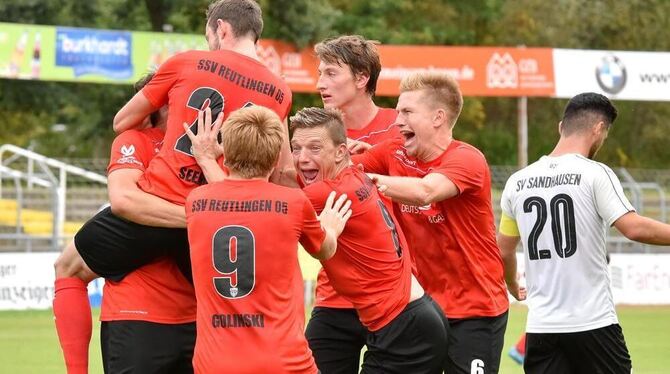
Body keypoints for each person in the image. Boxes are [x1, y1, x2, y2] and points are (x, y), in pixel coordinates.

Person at [53, 2, 292, 371]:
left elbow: (123, 121)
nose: (208, 41)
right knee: (235, 307)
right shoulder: (279, 92)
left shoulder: (188, 62)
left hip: (160, 203)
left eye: (208, 33)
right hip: (219, 219)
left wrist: (170, 101)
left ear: (221, 29)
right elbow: (282, 173)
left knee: (68, 267)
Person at [498, 92, 670, 374]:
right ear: (599, 129)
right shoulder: (594, 173)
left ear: (560, 127)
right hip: (593, 325)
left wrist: (512, 286)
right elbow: (634, 228)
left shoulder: (517, 183)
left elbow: (503, 249)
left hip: (541, 329)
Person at [354, 72, 509, 374]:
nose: (397, 120)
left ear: (438, 117)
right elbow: (339, 173)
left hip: (475, 310)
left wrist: (367, 180)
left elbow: (427, 191)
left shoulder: (468, 159)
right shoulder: (391, 152)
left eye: (407, 112)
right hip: (423, 309)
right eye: (398, 111)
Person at [185, 106, 351, 374]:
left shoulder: (196, 201)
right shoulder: (294, 202)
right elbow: (324, 250)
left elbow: (230, 197)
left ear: (225, 155)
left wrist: (205, 159)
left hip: (214, 363)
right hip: (284, 362)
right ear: (276, 159)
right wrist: (330, 227)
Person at [291, 107, 446, 373]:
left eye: (314, 148)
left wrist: (210, 161)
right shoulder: (351, 175)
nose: (302, 158)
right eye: (296, 148)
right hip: (411, 319)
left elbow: (265, 208)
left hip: (405, 329)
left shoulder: (333, 191)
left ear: (341, 152)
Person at [52, 73, 189, 374]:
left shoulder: (135, 140)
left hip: (136, 321)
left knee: (67, 267)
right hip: (195, 322)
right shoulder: (208, 147)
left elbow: (124, 200)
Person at [307, 35, 403, 374]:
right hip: (334, 295)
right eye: (319, 74)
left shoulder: (400, 126)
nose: (320, 83)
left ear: (362, 78)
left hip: (393, 298)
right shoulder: (312, 138)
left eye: (331, 73)